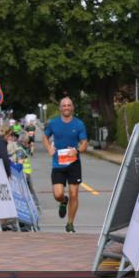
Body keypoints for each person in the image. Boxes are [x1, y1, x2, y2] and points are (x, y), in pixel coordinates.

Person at [43, 97, 88, 233]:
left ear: (72, 107)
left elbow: (85, 143)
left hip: (74, 163)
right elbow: (45, 137)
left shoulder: (79, 124)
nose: (67, 107)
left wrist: (77, 150)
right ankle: (63, 201)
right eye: (64, 106)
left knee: (74, 194)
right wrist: (49, 148)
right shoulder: (53, 123)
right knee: (58, 194)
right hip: (58, 164)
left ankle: (70, 223)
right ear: (60, 108)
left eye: (69, 105)